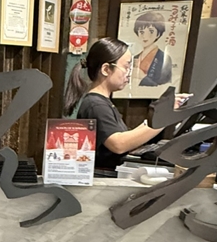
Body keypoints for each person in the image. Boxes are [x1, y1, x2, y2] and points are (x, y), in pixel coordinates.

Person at [63, 37, 165, 171]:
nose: (128, 74)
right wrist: (163, 120)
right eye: (126, 67)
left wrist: (161, 114)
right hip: (100, 178)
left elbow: (127, 137)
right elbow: (118, 144)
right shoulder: (95, 105)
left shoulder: (101, 102)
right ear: (106, 69)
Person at [132, 11, 172, 87]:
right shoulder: (135, 57)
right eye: (141, 32)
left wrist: (142, 77)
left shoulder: (163, 58)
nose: (145, 36)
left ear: (158, 34)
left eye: (151, 31)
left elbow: (163, 87)